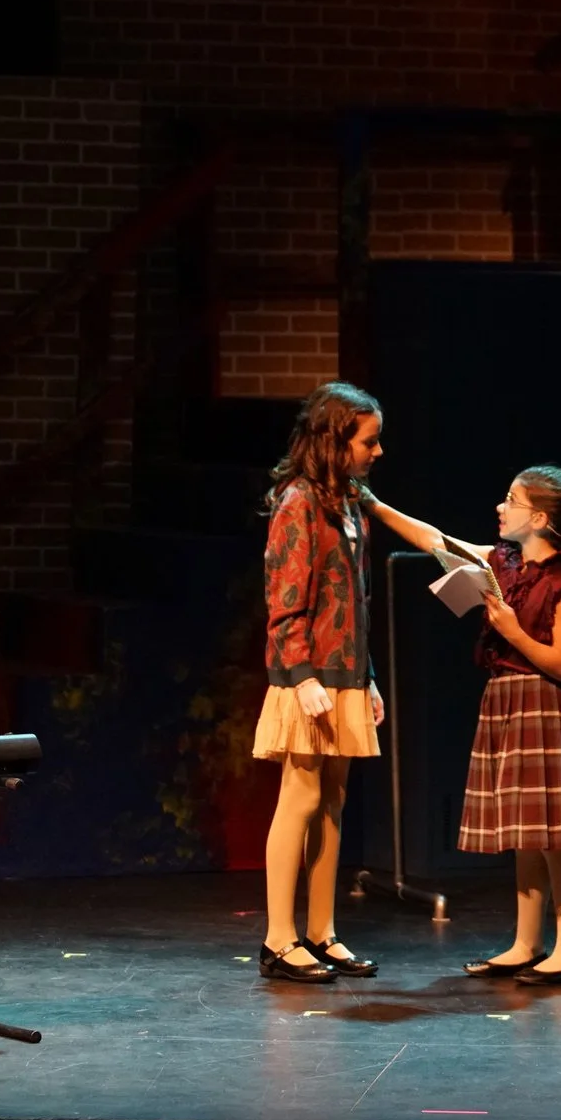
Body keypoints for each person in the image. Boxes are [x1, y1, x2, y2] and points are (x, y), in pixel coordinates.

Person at [369, 467, 561, 984]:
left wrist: (514, 633)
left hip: (543, 704)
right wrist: (374, 505)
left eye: (511, 500)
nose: (500, 507)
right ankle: (527, 941)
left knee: (554, 834)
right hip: (506, 698)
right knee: (526, 831)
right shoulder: (504, 565)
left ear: (538, 518)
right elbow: (437, 541)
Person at [253, 382, 386, 983]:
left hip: (345, 671)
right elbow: (285, 602)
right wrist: (302, 675)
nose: (377, 451)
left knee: (332, 801)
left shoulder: (348, 502)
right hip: (307, 675)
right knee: (301, 797)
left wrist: (367, 676)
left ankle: (322, 931)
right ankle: (278, 939)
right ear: (336, 441)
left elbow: (354, 600)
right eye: (368, 441)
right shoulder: (298, 502)